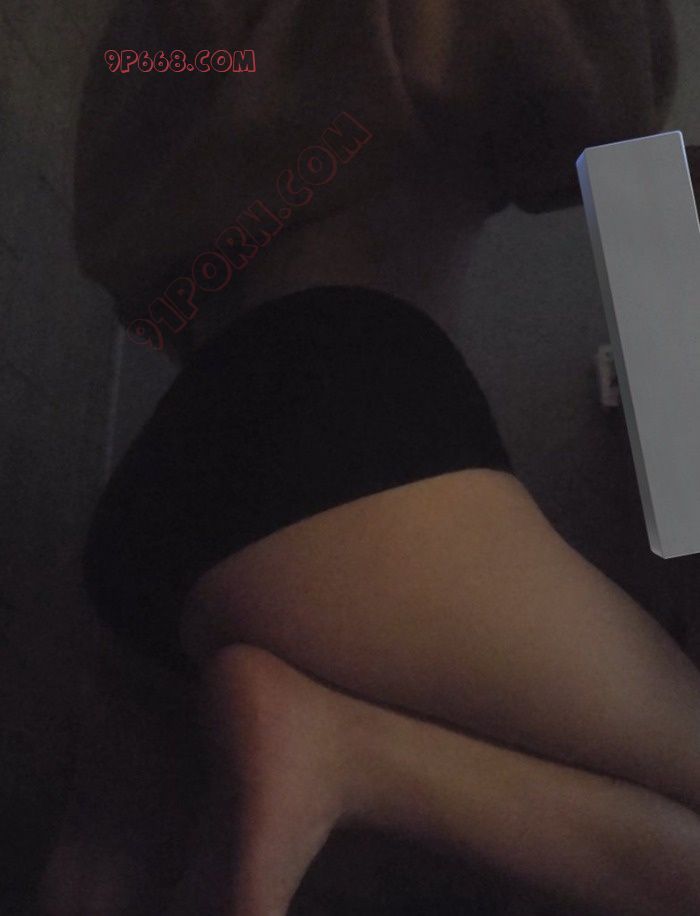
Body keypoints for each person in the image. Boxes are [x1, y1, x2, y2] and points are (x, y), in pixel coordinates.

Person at [46, 1, 700, 914]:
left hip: (173, 460)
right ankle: (348, 753)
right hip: (344, 402)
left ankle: (339, 750)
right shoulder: (436, 54)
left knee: (115, 870)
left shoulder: (211, 57)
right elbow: (587, 94)